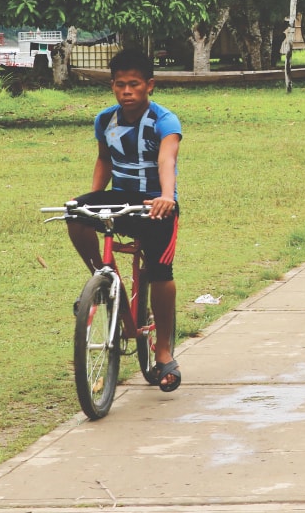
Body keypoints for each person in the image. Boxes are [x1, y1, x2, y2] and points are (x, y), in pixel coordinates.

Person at [66, 48, 183, 391]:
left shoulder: (165, 121)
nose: (127, 91)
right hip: (120, 198)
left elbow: (167, 159)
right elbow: (103, 159)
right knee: (76, 214)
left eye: (134, 84)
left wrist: (165, 196)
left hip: (155, 202)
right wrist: (92, 200)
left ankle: (162, 352)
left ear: (150, 86)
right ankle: (107, 285)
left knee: (160, 273)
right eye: (120, 85)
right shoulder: (105, 120)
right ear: (113, 87)